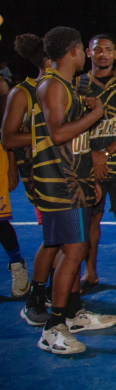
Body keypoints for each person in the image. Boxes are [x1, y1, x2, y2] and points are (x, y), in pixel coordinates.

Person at [34, 27, 116, 355]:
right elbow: (58, 134)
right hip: (59, 184)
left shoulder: (67, 86)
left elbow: (75, 143)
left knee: (76, 249)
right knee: (72, 251)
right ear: (73, 50)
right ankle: (53, 327)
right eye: (83, 49)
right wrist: (96, 114)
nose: (84, 54)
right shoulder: (53, 85)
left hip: (74, 180)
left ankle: (71, 313)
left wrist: (88, 179)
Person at [75, 36, 116, 300]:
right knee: (91, 218)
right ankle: (90, 273)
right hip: (88, 163)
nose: (102, 54)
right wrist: (92, 157)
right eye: (97, 49)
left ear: (115, 54)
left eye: (108, 50)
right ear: (88, 52)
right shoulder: (78, 84)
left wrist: (105, 153)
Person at [3, 34, 49, 316]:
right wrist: (49, 134)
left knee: (72, 243)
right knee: (55, 239)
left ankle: (63, 299)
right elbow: (8, 138)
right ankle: (38, 298)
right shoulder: (23, 93)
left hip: (69, 175)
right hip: (41, 178)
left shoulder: (67, 89)